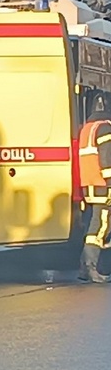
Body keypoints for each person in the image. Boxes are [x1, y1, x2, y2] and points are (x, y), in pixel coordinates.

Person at [77, 92, 111, 283]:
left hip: (89, 185)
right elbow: (107, 160)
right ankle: (91, 268)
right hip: (102, 186)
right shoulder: (105, 128)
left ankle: (84, 267)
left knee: (93, 225)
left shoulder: (88, 128)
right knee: (100, 226)